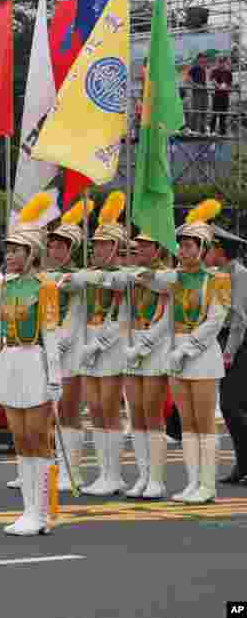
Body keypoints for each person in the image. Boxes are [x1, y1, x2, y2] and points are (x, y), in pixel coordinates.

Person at [0, 192, 60, 535]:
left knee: (37, 437)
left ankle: (42, 514)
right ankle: (29, 511)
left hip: (35, 361)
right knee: (20, 438)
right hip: (9, 360)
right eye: (8, 250)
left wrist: (55, 378)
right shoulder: (5, 286)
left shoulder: (46, 287)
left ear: (31, 254)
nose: (9, 256)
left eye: (16, 251)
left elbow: (51, 333)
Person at [138, 200, 229, 503]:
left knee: (204, 421)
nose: (185, 251)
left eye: (191, 246)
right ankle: (192, 483)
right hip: (176, 351)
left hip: (201, 355)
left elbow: (216, 319)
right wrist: (147, 344)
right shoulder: (176, 279)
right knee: (187, 423)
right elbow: (165, 312)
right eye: (182, 246)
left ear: (203, 250)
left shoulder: (218, 280)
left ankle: (208, 485)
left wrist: (189, 349)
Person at [61, 192, 131, 496]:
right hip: (88, 345)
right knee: (95, 409)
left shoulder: (125, 276)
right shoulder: (88, 274)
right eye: (96, 244)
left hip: (111, 346)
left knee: (109, 408)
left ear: (116, 247)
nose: (98, 248)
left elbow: (122, 318)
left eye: (103, 244)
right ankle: (103, 473)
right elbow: (72, 292)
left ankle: (113, 474)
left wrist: (99, 344)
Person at [32, 201, 93, 492]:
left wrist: (58, 340)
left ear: (72, 250)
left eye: (61, 247)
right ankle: (49, 464)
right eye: (52, 246)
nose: (55, 251)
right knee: (42, 410)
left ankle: (73, 471)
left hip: (69, 350)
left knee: (68, 410)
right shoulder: (42, 276)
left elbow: (75, 312)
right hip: (43, 349)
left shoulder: (78, 278)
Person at [118, 233, 173, 499]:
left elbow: (169, 317)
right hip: (132, 346)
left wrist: (145, 345)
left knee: (152, 415)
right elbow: (125, 312)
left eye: (146, 245)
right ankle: (142, 475)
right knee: (136, 416)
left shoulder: (167, 276)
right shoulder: (134, 275)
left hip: (155, 347)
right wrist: (127, 344)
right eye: (138, 245)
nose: (139, 248)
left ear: (158, 248)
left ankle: (157, 479)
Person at [206, 231, 247, 484]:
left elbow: (240, 319)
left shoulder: (240, 274)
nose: (206, 253)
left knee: (232, 406)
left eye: (210, 248)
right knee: (233, 407)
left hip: (240, 344)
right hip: (223, 340)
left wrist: (229, 352)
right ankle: (242, 465)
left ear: (221, 251)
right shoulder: (218, 274)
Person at [210, 56, 234, 136]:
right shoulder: (215, 71)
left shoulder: (228, 73)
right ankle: (212, 131)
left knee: (223, 115)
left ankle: (222, 132)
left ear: (225, 63)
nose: (222, 64)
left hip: (225, 96)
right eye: (220, 62)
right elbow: (213, 80)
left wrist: (227, 87)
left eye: (223, 62)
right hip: (217, 95)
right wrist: (219, 86)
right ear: (218, 63)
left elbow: (230, 84)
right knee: (214, 114)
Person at [187, 53, 209, 134]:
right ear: (198, 59)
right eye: (202, 58)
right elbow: (188, 78)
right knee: (196, 111)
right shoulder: (194, 67)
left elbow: (207, 80)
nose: (203, 60)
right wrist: (195, 85)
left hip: (205, 91)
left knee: (204, 111)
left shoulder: (205, 68)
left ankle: (203, 130)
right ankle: (193, 130)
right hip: (197, 92)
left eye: (204, 58)